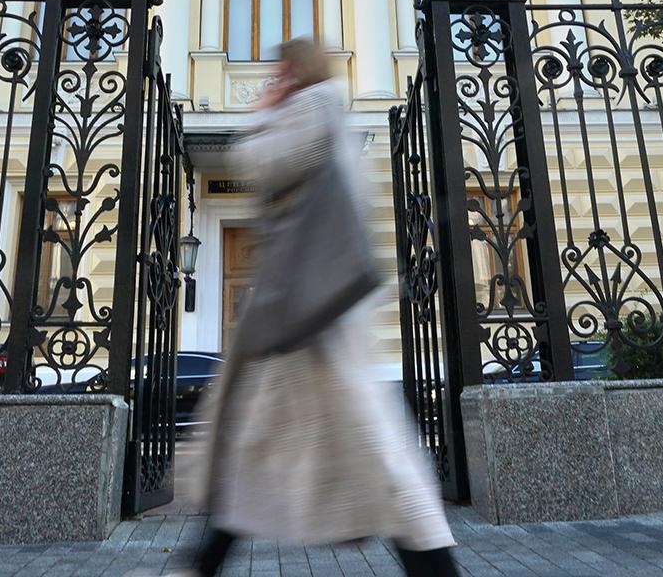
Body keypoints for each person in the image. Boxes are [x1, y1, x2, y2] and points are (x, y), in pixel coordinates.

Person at [181, 39, 458, 577]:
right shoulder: (321, 114)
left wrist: (261, 115)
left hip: (316, 320)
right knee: (256, 448)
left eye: (282, 68)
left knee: (377, 456)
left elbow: (261, 162)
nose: (273, 77)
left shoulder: (314, 108)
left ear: (300, 70)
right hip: (306, 316)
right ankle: (199, 563)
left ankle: (436, 567)